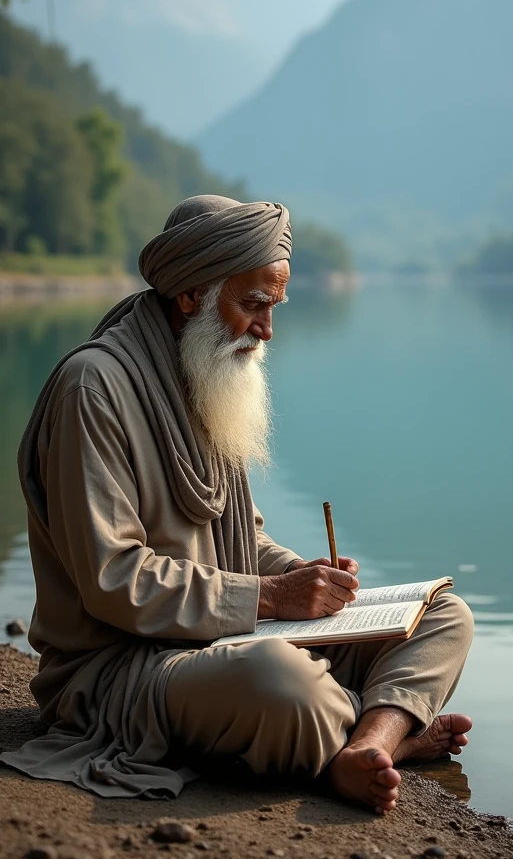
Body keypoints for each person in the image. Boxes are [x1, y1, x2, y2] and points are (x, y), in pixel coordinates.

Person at [0, 195, 473, 813]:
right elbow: (112, 580)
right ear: (192, 294)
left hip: (220, 642)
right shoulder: (96, 387)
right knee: (277, 681)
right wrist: (271, 599)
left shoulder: (205, 368)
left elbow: (242, 540)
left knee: (443, 616)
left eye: (272, 308)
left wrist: (303, 578)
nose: (266, 330)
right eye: (251, 305)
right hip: (125, 671)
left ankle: (365, 744)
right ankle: (388, 735)